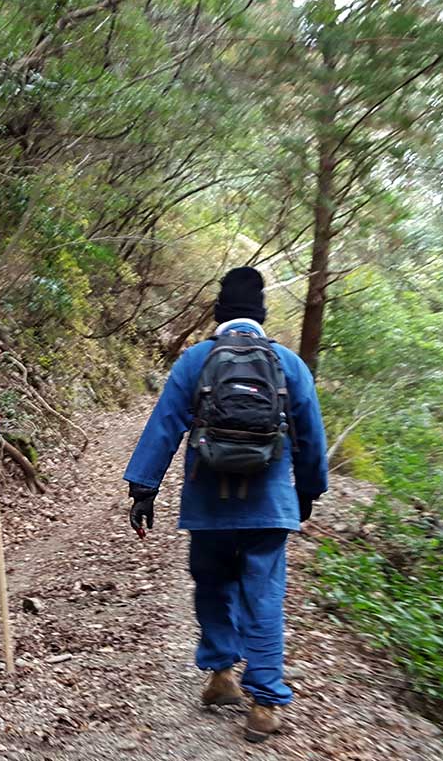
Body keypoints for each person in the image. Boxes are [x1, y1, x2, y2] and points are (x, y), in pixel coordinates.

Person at [123, 266, 327, 742]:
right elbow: (311, 437)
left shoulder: (196, 360)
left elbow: (164, 425)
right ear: (261, 315)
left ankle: (220, 676)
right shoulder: (288, 364)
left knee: (212, 584)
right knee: (265, 594)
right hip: (269, 503)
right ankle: (265, 704)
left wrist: (143, 488)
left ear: (219, 314)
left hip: (208, 502)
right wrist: (309, 492)